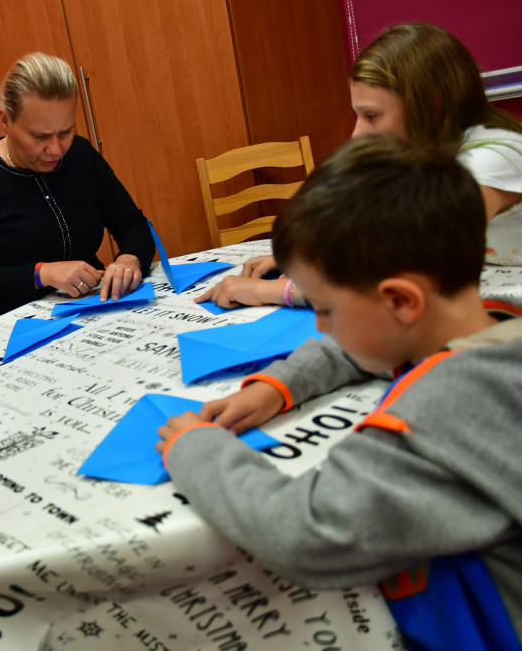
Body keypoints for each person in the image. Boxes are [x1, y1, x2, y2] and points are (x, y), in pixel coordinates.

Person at [157, 135, 522, 649]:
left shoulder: (441, 413)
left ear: (399, 299)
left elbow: (303, 530)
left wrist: (195, 449)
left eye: (326, 308)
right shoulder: (494, 319)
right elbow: (372, 344)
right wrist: (277, 385)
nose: (322, 328)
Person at [198, 21, 522, 310]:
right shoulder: (423, 157)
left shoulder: (492, 157)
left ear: (433, 107)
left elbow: (408, 267)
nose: (357, 133)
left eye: (371, 116)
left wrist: (278, 291)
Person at [0, 52, 156, 323]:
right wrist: (42, 273)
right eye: (40, 136)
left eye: (65, 132)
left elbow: (132, 223)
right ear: (5, 121)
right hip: (17, 326)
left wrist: (129, 259)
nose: (56, 149)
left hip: (92, 309)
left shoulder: (80, 154)